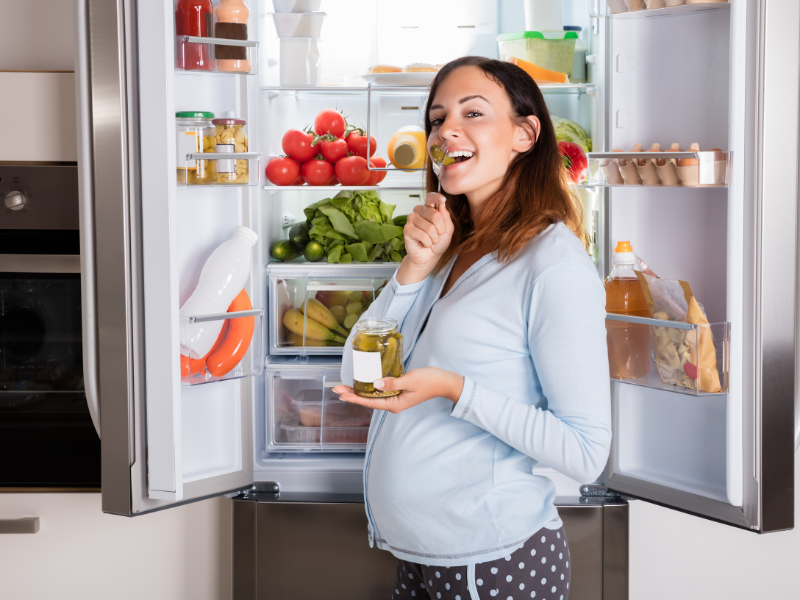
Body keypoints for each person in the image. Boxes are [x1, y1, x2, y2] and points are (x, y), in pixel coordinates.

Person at [334, 56, 611, 600]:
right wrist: (412, 271)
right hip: (423, 554)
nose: (446, 131)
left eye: (473, 112)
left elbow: (585, 451)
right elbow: (359, 372)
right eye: (437, 118)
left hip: (494, 561)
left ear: (525, 134)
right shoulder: (450, 250)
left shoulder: (553, 264)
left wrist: (452, 387)